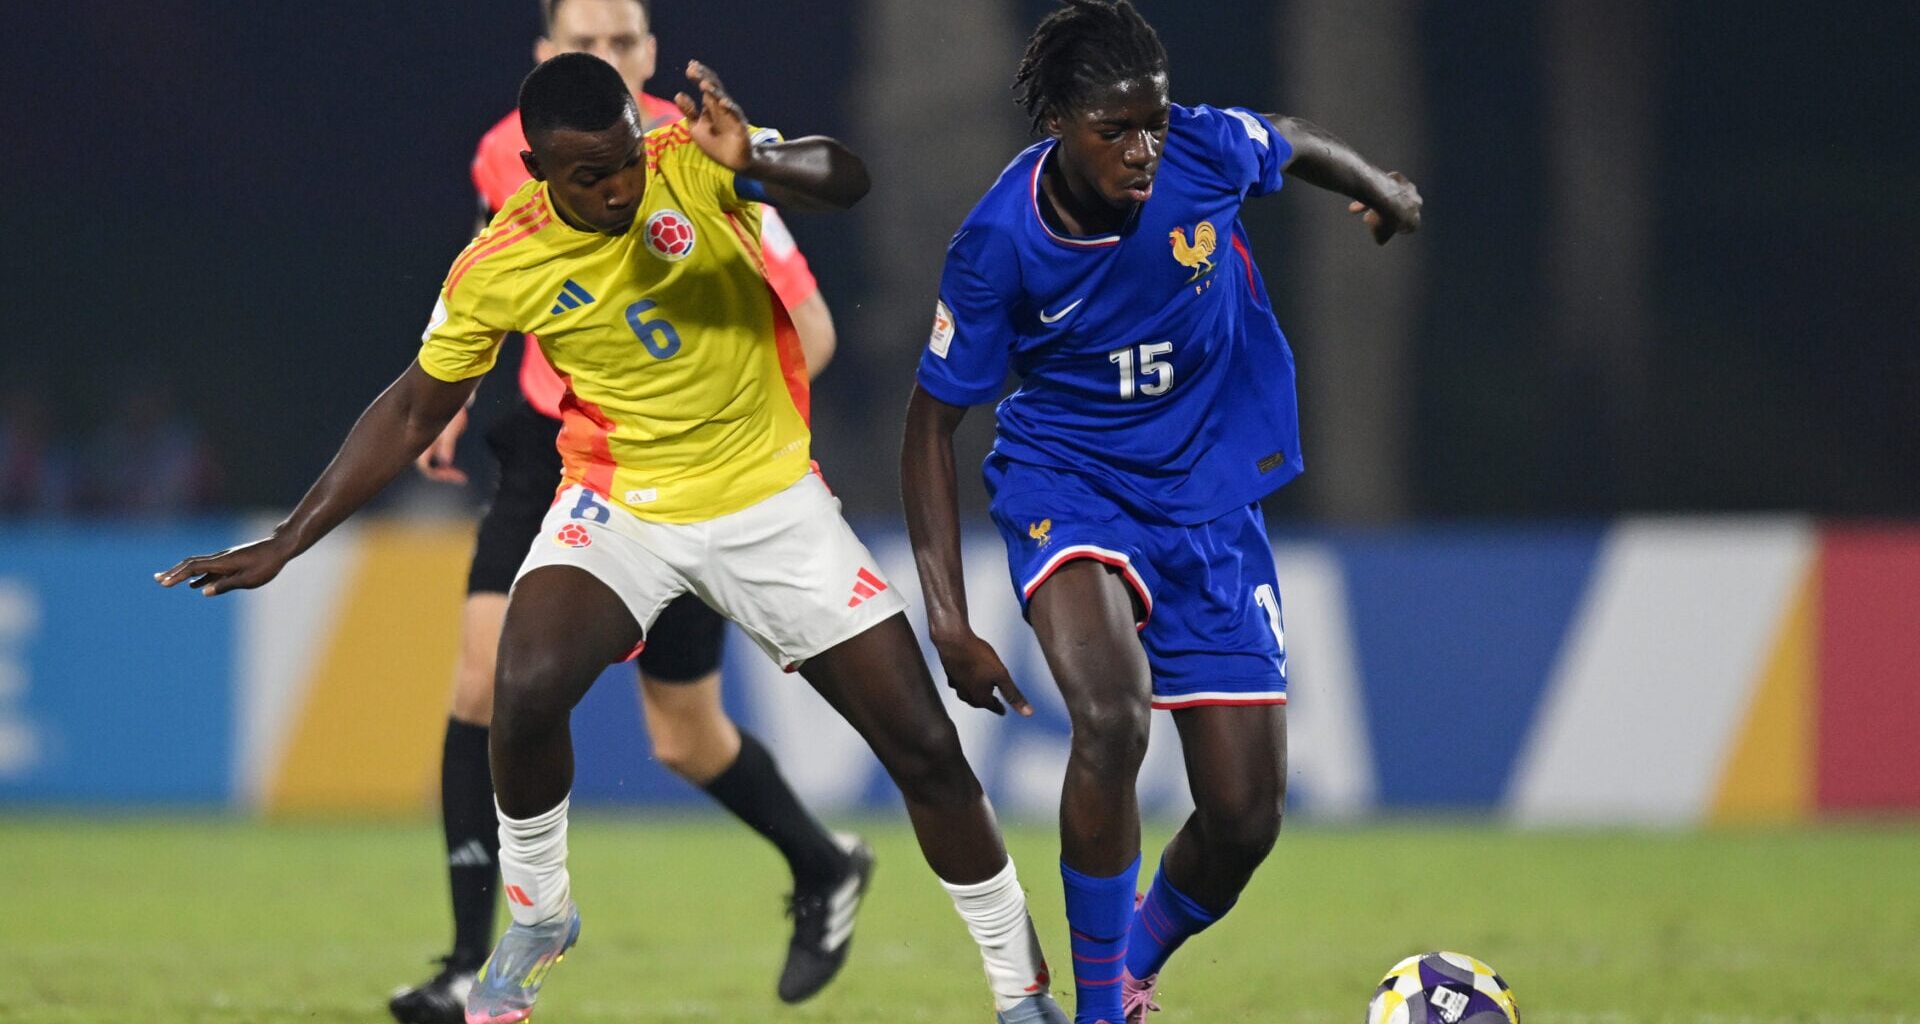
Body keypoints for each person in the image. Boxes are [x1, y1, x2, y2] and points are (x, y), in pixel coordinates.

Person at [161, 52, 1067, 1024]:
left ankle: (1021, 995)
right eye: (589, 175)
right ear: (541, 172)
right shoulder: (503, 261)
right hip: (621, 501)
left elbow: (847, 181)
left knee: (926, 749)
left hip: (772, 504)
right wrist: (291, 538)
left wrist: (758, 157)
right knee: (522, 681)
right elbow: (415, 409)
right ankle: (542, 914)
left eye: (625, 160)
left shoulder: (694, 160)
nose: (619, 185)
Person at [899, 3, 1423, 1023]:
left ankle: (1131, 968)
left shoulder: (1201, 151)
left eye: (1154, 119)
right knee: (1110, 714)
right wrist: (949, 618)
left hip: (1210, 498)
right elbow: (930, 425)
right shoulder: (998, 243)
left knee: (1243, 818)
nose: (1145, 147)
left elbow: (1289, 138)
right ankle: (1099, 1013)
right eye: (1116, 128)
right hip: (1070, 481)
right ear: (1055, 121)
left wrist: (1379, 187)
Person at [391, 2, 854, 1018]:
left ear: (649, 53)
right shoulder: (498, 157)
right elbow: (492, 279)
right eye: (585, 40)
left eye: (624, 40)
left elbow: (806, 324)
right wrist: (453, 397)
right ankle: (473, 957)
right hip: (551, 454)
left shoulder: (696, 157)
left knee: (685, 737)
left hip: (680, 474)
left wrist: (734, 443)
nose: (607, 55)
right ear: (544, 57)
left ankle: (825, 864)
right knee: (484, 681)